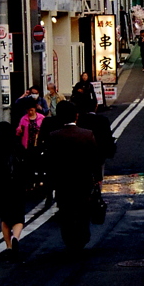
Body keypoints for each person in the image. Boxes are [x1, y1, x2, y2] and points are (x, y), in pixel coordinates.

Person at [47, 100, 100, 250]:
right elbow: (95, 159)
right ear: (76, 116)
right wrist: (97, 178)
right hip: (83, 181)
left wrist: (50, 183)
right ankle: (82, 237)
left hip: (62, 182)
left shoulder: (54, 136)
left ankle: (69, 239)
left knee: (66, 211)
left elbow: (50, 161)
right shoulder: (87, 134)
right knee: (83, 210)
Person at [0, 120, 26, 259]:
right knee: (18, 216)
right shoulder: (17, 146)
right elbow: (26, 164)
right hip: (17, 185)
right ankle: (16, 238)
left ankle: (8, 246)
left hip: (2, 186)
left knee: (5, 218)